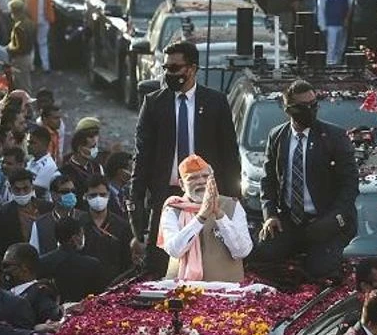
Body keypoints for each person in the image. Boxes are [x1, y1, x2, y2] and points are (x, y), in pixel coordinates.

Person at [129, 40, 241, 278]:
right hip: (166, 195)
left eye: (175, 68)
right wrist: (136, 198)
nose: (168, 73)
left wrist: (231, 196)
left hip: (207, 195)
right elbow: (142, 156)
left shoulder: (215, 102)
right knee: (160, 263)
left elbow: (229, 153)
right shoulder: (154, 104)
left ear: (191, 69)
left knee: (208, 260)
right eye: (166, 68)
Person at [251, 79, 358, 282]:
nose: (310, 110)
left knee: (319, 269)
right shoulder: (277, 136)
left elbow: (350, 185)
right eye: (303, 107)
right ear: (288, 109)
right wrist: (270, 215)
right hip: (290, 220)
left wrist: (332, 219)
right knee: (261, 255)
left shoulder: (334, 137)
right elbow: (269, 181)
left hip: (326, 220)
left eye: (314, 105)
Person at [158, 155, 252, 282]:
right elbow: (174, 250)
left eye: (205, 176)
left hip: (227, 291)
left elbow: (242, 251)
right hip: (182, 292)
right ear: (181, 184)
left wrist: (219, 215)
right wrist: (201, 217)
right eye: (193, 178)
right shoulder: (173, 209)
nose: (201, 181)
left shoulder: (232, 205)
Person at [40, 217, 107, 303]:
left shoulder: (43, 262)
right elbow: (100, 297)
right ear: (75, 238)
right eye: (82, 234)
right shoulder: (92, 264)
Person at [80, 174, 133, 283]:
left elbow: (127, 262)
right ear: (85, 196)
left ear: (109, 195)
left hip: (114, 286)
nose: (98, 198)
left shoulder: (122, 226)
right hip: (84, 286)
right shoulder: (79, 224)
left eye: (102, 194)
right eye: (93, 195)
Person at [1, 243, 61, 328]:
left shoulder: (41, 293)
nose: (4, 270)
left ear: (24, 268)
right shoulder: (6, 292)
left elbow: (51, 322)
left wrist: (35, 328)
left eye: (7, 266)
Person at [26, 0, 69, 73]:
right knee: (30, 42)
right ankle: (31, 66)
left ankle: (46, 67)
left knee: (43, 42)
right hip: (31, 16)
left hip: (45, 17)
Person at [0, 168, 42, 255]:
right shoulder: (3, 214)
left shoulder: (46, 208)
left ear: (32, 187)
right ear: (10, 190)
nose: (22, 193)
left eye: (26, 189)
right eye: (17, 190)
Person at [317, 0, 353, 65]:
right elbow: (321, 10)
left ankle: (338, 64)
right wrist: (322, 26)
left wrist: (347, 20)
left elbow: (350, 5)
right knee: (331, 47)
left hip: (342, 24)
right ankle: (330, 65)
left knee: (341, 47)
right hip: (330, 24)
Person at [7, 0, 35, 95]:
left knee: (22, 87)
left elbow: (20, 48)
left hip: (20, 59)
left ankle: (28, 108)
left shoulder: (19, 27)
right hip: (29, 56)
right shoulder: (30, 23)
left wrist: (9, 48)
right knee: (26, 84)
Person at [25, 125, 58, 197]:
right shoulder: (31, 162)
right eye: (28, 142)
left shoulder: (48, 166)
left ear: (44, 144)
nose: (28, 145)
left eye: (32, 143)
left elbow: (37, 191)